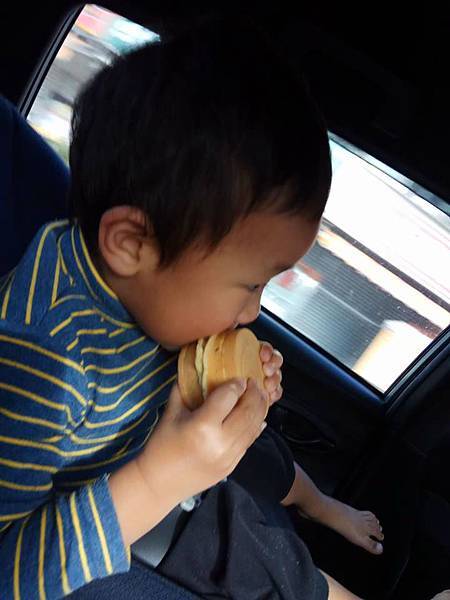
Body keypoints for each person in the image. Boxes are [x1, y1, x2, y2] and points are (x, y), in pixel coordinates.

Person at [0, 18, 380, 599]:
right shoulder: (39, 371)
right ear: (132, 244)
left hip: (147, 430)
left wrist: (226, 381)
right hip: (113, 502)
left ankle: (317, 503)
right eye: (250, 285)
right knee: (251, 547)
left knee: (256, 443)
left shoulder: (142, 288)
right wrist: (162, 477)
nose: (253, 313)